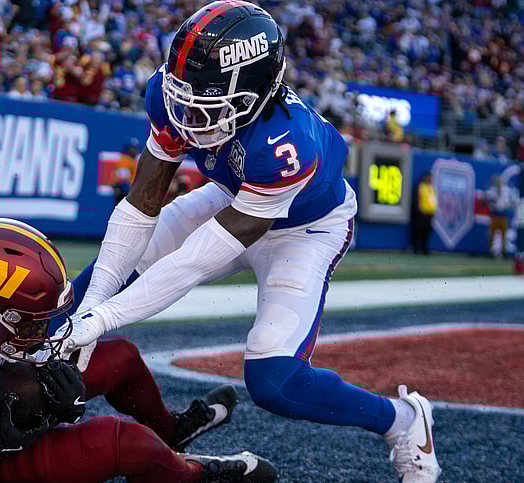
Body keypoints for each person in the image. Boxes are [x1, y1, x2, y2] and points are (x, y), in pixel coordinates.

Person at [57, 3, 440, 482]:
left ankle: (404, 421)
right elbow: (141, 206)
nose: (187, 110)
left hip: (304, 229)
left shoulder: (287, 141)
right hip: (232, 195)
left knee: (276, 381)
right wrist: (90, 307)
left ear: (255, 92)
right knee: (76, 300)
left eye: (206, 99)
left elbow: (194, 263)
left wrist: (105, 318)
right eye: (184, 91)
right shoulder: (171, 93)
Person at [0, 218, 276, 483]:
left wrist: (44, 404)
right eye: (29, 321)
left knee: (119, 357)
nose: (41, 330)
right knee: (129, 445)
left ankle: (173, 432)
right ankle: (191, 475)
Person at [411, 172, 436, 255]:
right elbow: (416, 200)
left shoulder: (431, 188)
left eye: (430, 177)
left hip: (430, 214)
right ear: (424, 177)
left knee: (427, 232)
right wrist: (418, 211)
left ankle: (425, 249)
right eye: (428, 177)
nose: (429, 179)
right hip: (421, 214)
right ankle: (416, 248)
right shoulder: (420, 186)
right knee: (419, 232)